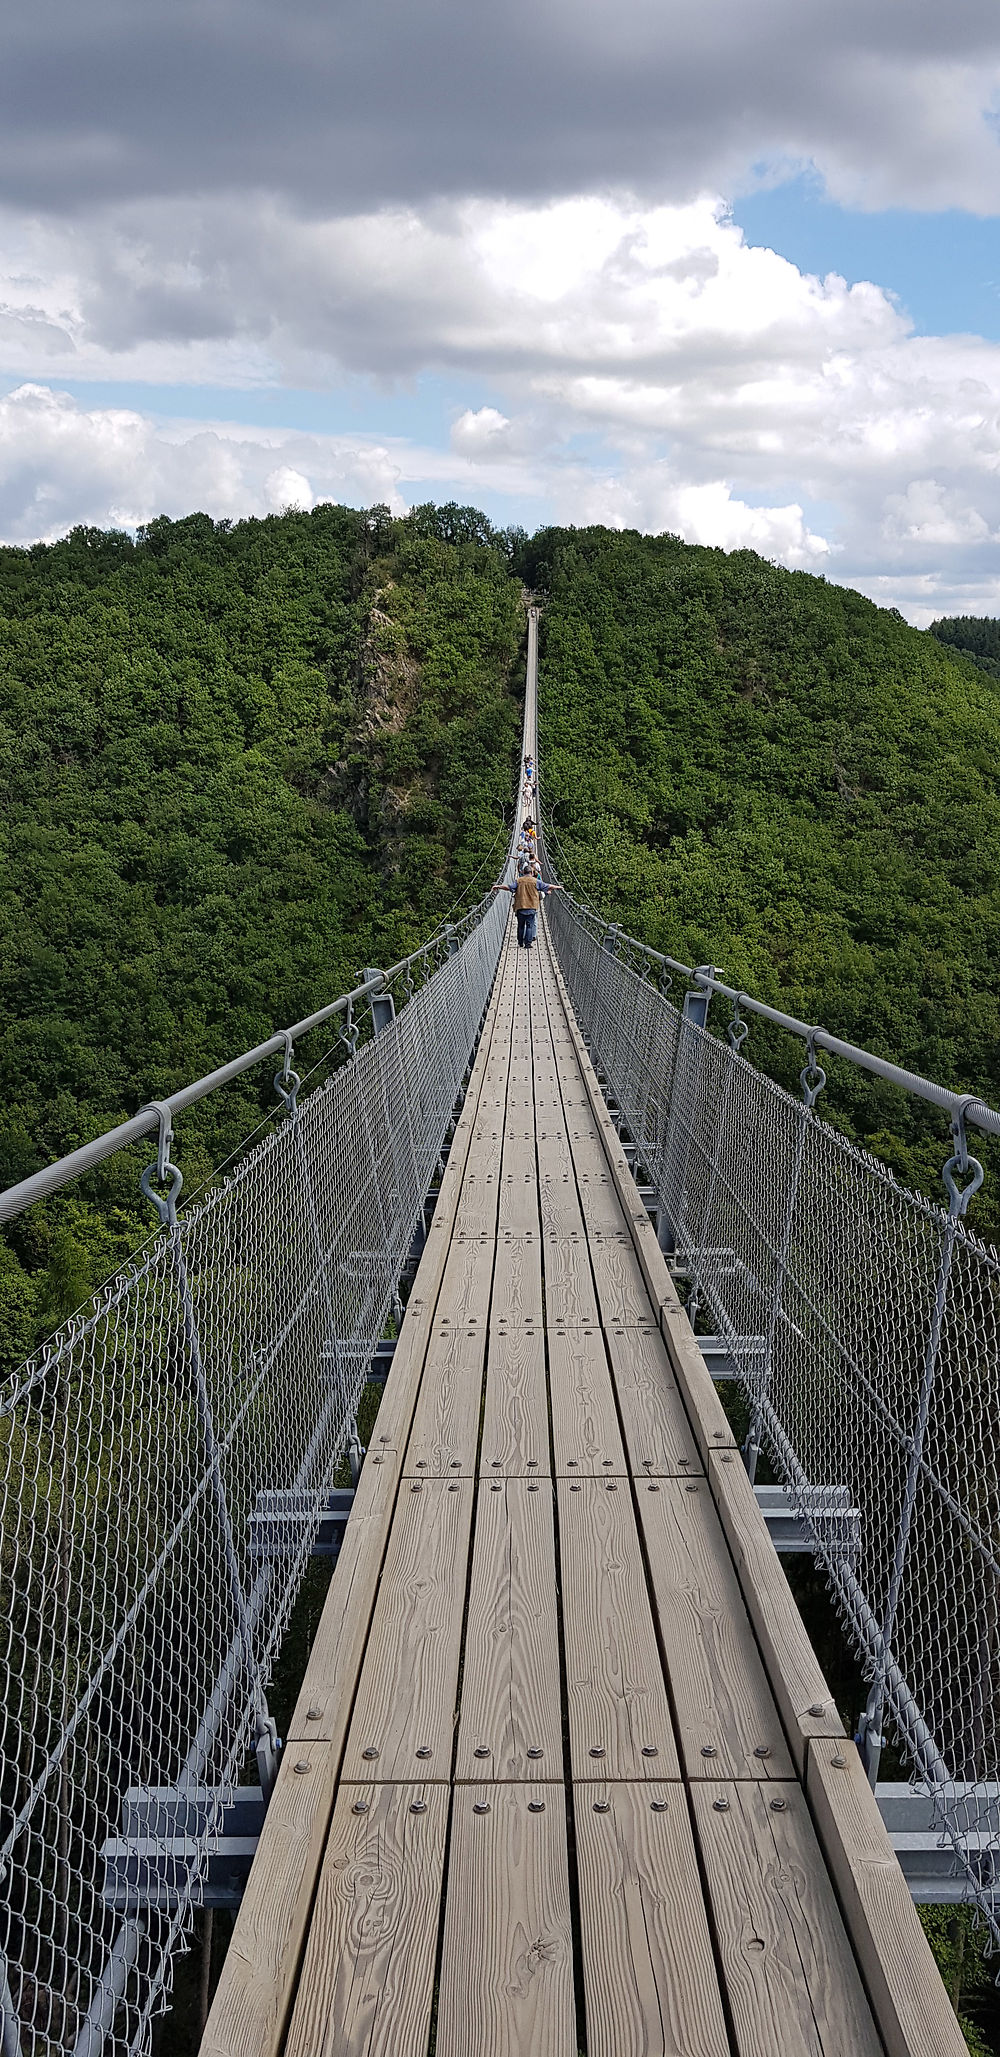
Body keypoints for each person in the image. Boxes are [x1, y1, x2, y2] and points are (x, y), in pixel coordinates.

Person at [493, 862, 562, 948]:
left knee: (520, 926)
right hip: (531, 906)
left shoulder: (518, 881)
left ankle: (520, 942)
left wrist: (499, 886)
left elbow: (509, 887)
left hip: (520, 906)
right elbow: (547, 886)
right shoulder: (536, 881)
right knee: (529, 926)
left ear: (522, 872)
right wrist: (557, 887)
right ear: (532, 873)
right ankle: (528, 944)